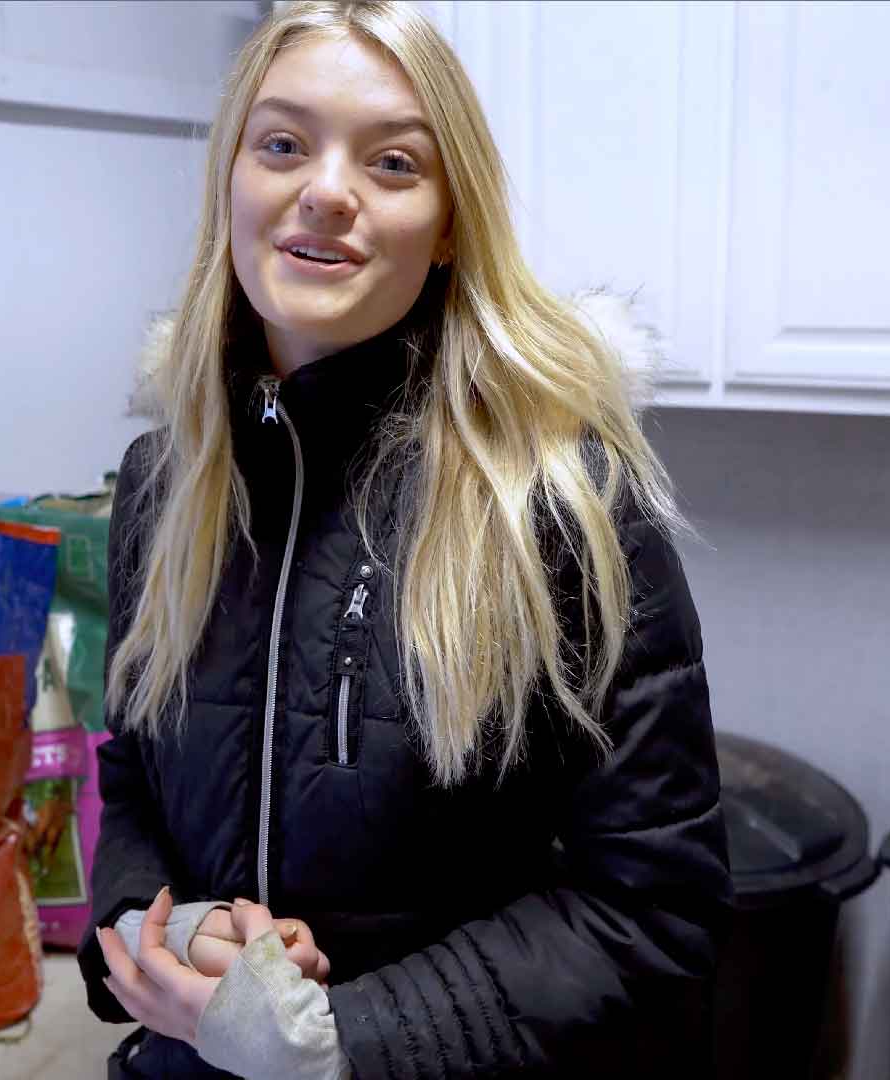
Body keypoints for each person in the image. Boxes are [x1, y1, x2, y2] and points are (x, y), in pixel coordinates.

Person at [78, 2, 731, 1076]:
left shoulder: (558, 502)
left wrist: (339, 1046)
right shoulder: (165, 483)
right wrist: (174, 933)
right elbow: (132, 783)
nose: (325, 190)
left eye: (391, 163)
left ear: (450, 227)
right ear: (230, 186)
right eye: (282, 143)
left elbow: (654, 912)